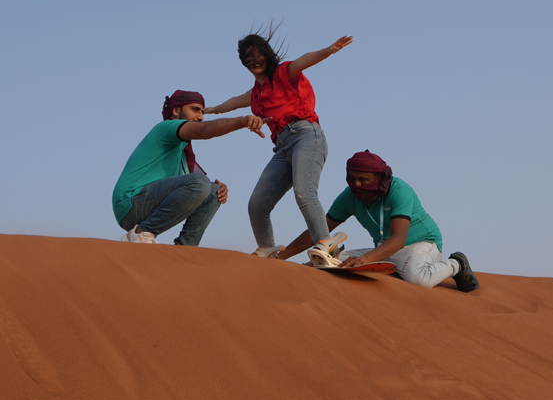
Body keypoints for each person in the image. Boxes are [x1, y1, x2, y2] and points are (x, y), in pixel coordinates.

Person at [204, 26, 353, 258]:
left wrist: (329, 50)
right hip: (282, 147)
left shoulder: (284, 73)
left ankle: (327, 247)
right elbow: (234, 102)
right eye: (249, 57)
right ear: (244, 63)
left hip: (306, 135)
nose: (255, 60)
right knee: (257, 204)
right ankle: (268, 250)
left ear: (267, 54)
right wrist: (213, 109)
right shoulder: (255, 93)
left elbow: (304, 60)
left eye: (258, 54)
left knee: (304, 192)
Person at [279, 150, 480, 292]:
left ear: (378, 178)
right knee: (327, 264)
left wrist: (365, 259)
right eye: (352, 178)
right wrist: (282, 256)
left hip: (421, 244)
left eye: (363, 180)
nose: (356, 184)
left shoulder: (399, 190)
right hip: (384, 249)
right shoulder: (349, 196)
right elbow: (319, 230)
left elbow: (399, 239)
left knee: (418, 279)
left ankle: (456, 264)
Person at [112, 90, 268, 245]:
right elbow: (203, 130)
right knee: (201, 183)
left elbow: (197, 185)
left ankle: (185, 249)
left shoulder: (181, 150)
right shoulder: (166, 127)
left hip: (147, 203)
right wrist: (241, 121)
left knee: (214, 191)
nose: (200, 117)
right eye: (195, 110)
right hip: (130, 204)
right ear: (175, 110)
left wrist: (215, 188)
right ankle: (141, 234)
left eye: (202, 112)